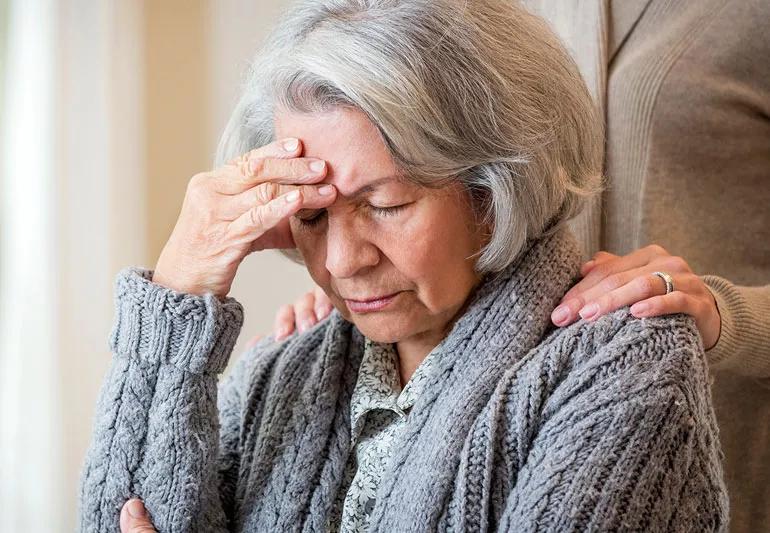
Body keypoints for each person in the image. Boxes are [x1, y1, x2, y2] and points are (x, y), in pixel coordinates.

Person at [78, 1, 729, 531]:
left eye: (385, 204)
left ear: (492, 188)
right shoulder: (280, 371)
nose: (341, 262)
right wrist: (179, 290)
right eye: (310, 215)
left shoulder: (626, 368)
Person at [274, 1, 770, 530]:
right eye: (311, 215)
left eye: (389, 204)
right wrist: (361, 295)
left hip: (691, 428)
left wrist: (726, 317)